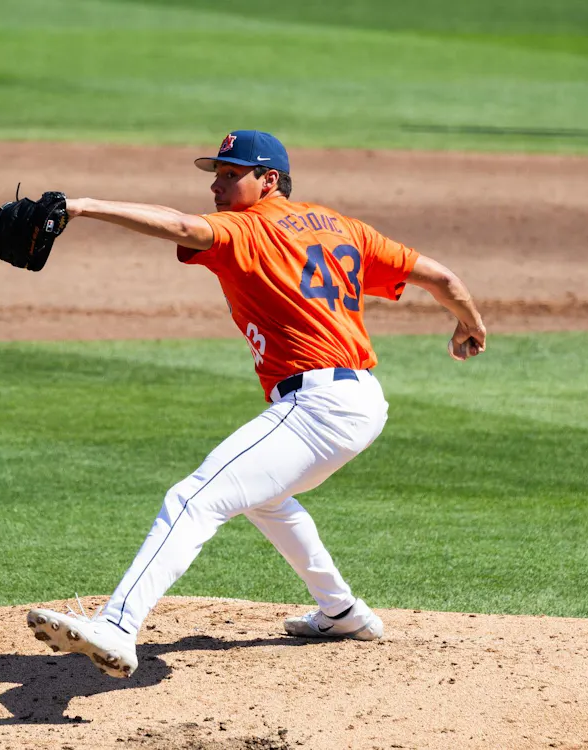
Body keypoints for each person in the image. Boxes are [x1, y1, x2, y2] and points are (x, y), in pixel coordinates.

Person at [26, 130, 486, 678]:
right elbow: (441, 277)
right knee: (265, 498)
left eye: (230, 174)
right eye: (216, 174)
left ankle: (119, 626)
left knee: (194, 497)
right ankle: (341, 611)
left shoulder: (249, 226)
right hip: (358, 400)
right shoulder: (342, 226)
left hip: (320, 406)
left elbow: (180, 226)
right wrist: (471, 324)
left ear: (269, 180)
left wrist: (81, 206)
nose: (218, 186)